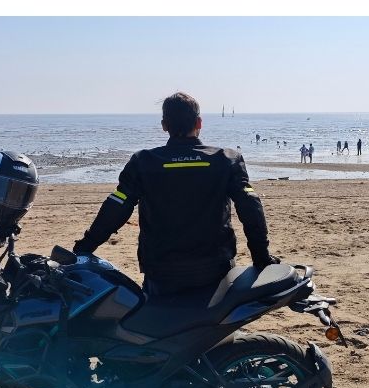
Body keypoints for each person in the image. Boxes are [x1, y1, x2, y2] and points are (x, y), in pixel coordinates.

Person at [72, 93, 277, 299]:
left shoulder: (144, 161)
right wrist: (261, 257)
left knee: (157, 324)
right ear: (199, 122)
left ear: (164, 125)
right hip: (214, 266)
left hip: (162, 270)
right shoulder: (226, 159)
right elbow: (250, 206)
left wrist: (84, 248)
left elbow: (117, 206)